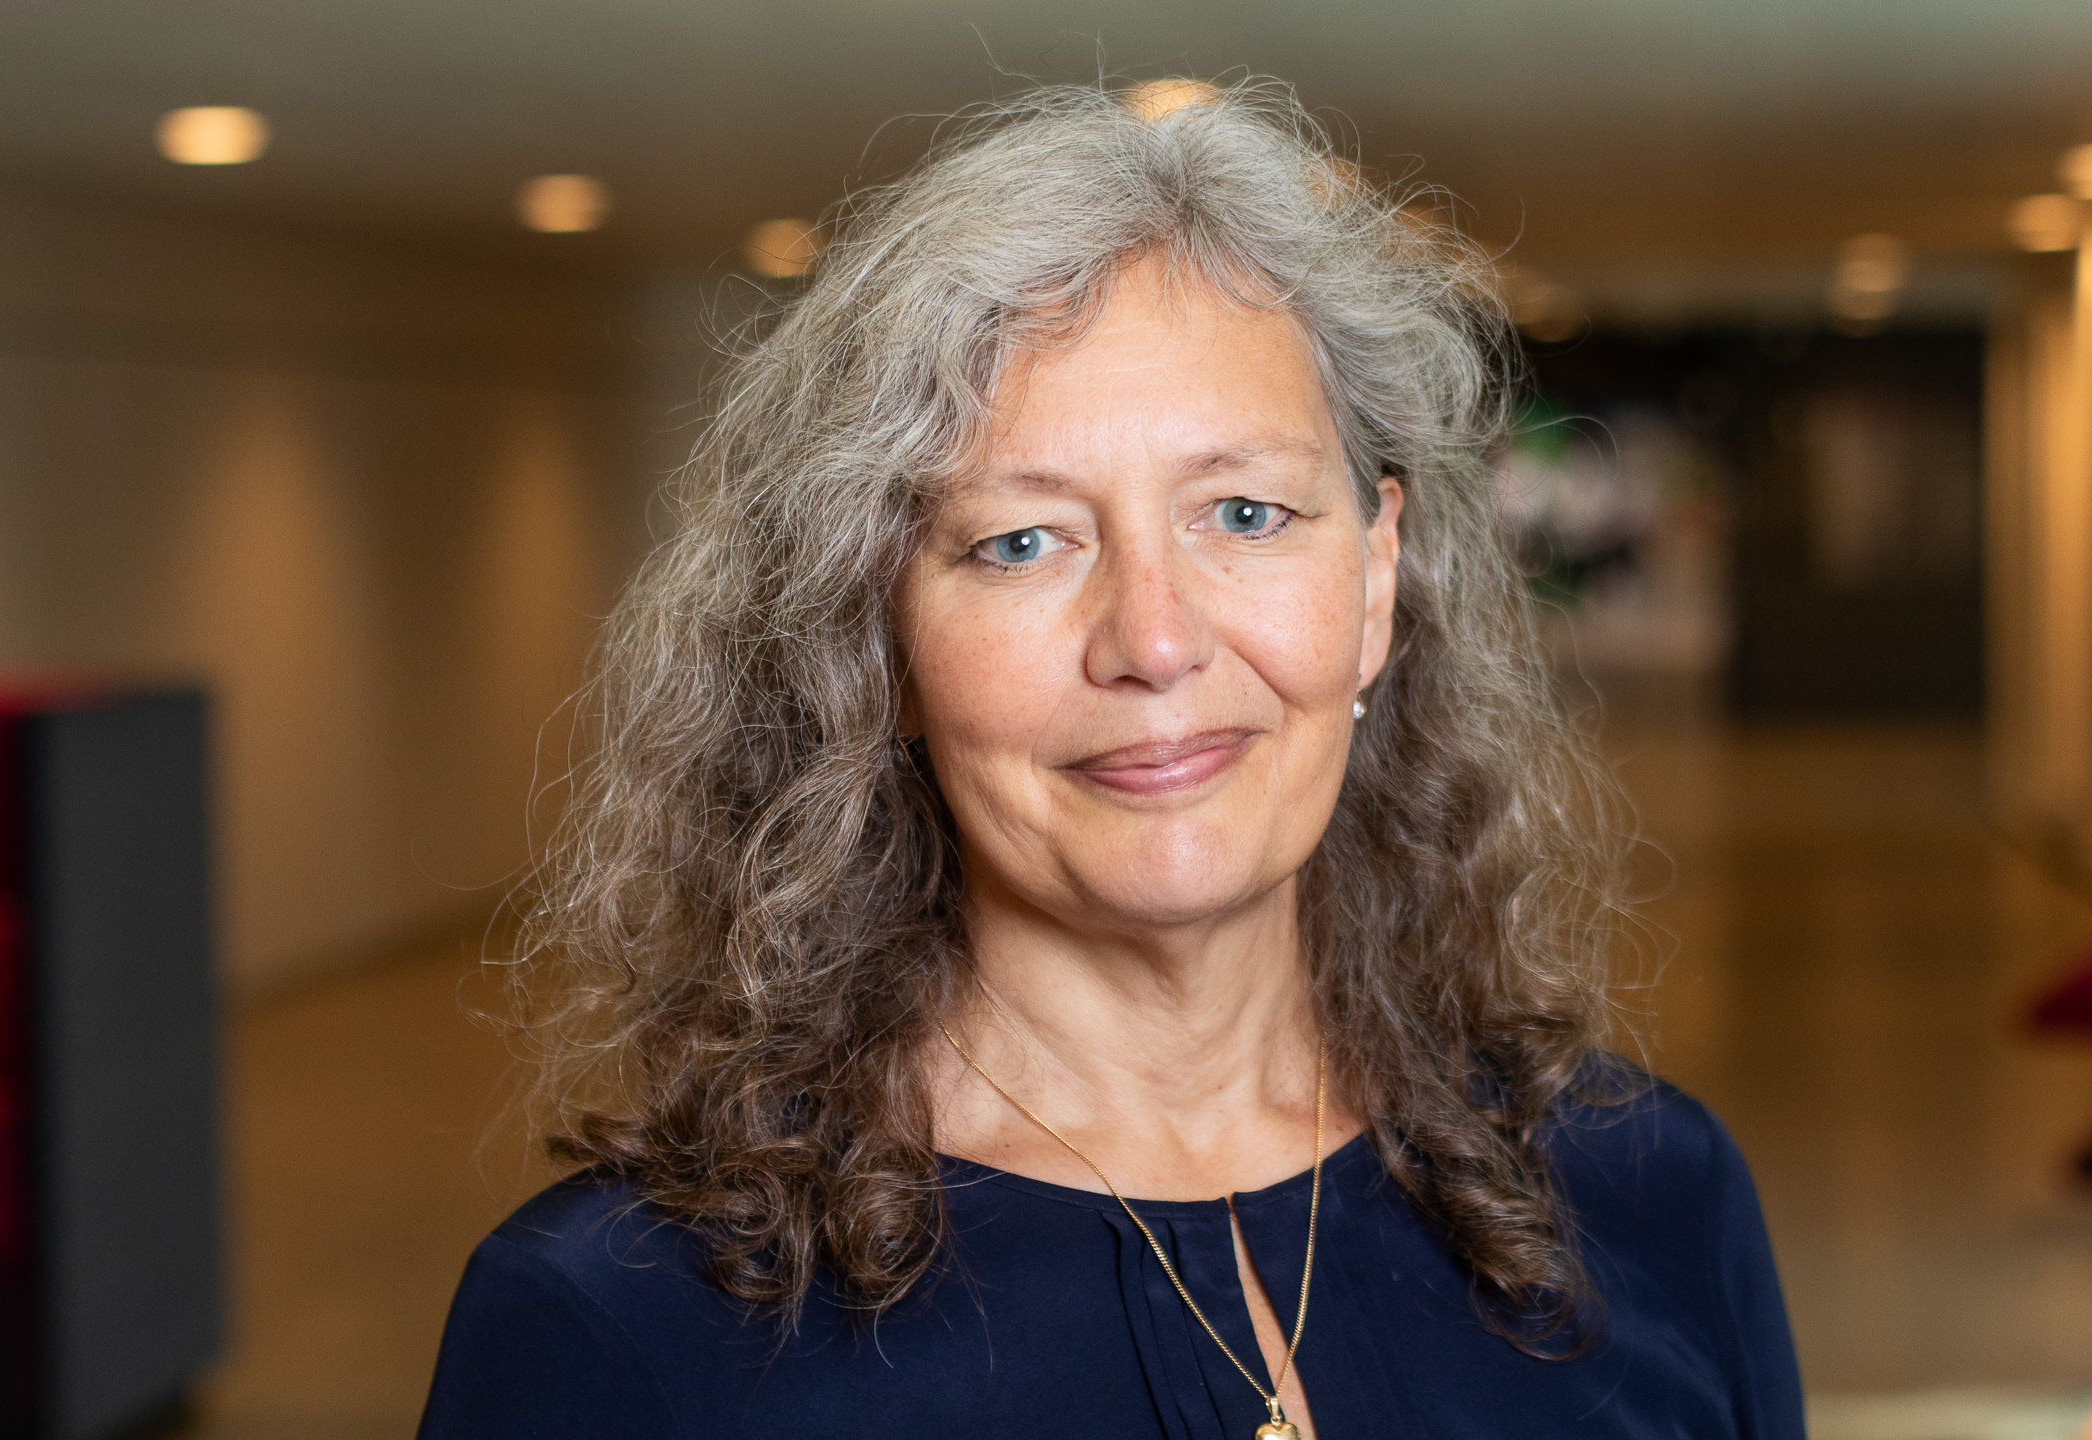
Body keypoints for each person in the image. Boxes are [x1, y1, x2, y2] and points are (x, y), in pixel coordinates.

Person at [420, 80, 1803, 1440]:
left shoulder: (1652, 1198)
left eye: (1246, 512)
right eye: (1022, 541)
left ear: (1377, 578)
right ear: (880, 642)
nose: (1152, 639)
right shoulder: (624, 1330)